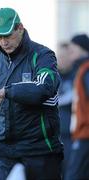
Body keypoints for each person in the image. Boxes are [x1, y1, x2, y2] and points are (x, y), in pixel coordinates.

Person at [0, 7, 63, 180]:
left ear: (20, 28)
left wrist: (8, 91)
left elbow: (44, 88)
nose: (4, 42)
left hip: (39, 152)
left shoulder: (43, 55)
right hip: (3, 155)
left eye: (7, 35)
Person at [65, 34, 89, 180]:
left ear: (82, 49)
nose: (70, 52)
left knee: (73, 176)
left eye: (73, 49)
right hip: (83, 134)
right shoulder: (82, 69)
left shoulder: (86, 70)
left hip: (85, 135)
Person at [57, 43, 73, 179]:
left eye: (64, 55)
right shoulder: (52, 76)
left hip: (71, 137)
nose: (61, 59)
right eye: (59, 56)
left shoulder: (77, 75)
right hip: (53, 137)